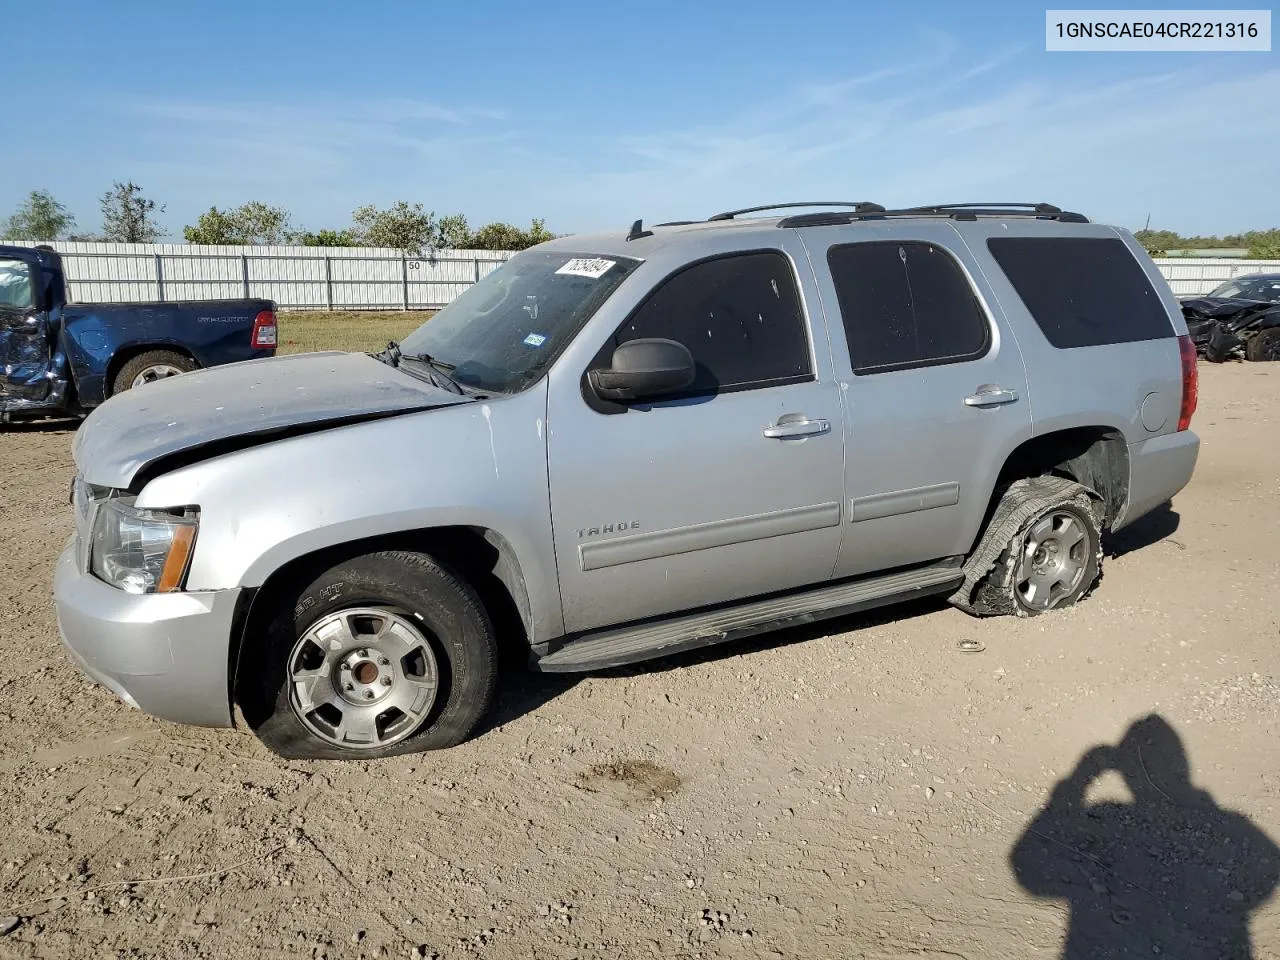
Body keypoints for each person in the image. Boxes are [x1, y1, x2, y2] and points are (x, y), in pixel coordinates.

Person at [1011, 714, 1280, 959]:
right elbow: (1267, 870)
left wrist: (1078, 780)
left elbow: (1029, 869)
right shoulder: (1230, 824)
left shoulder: (1107, 813)